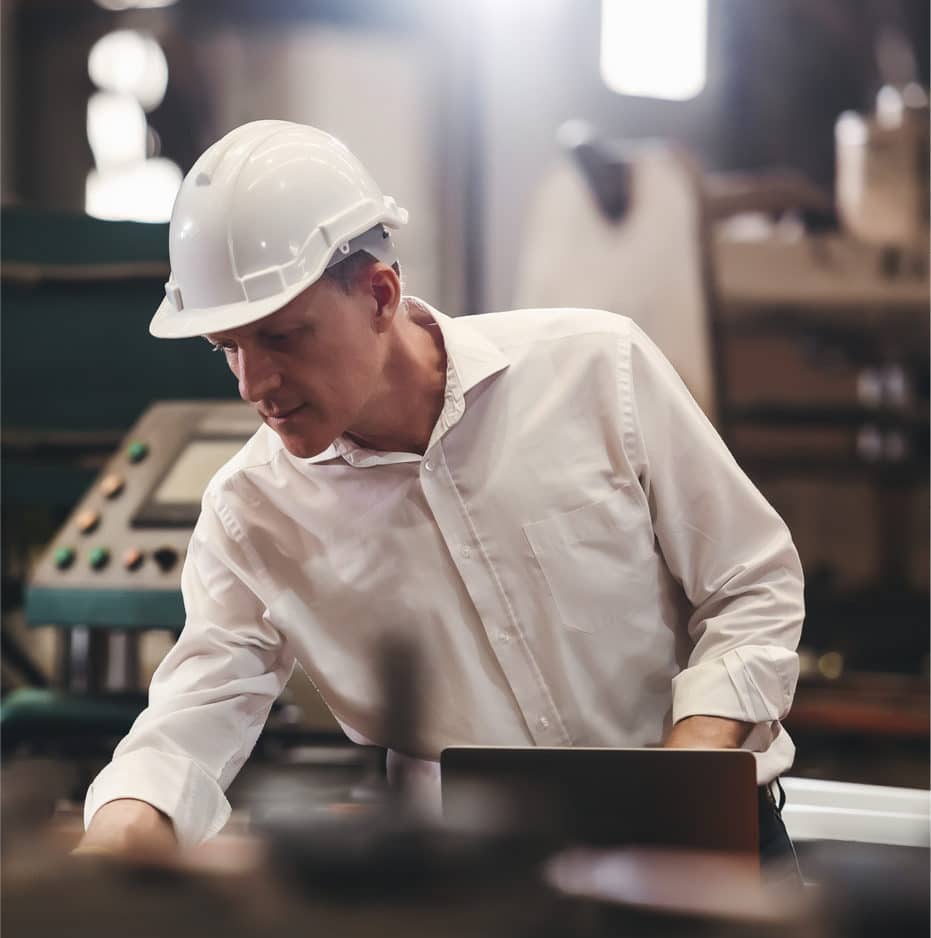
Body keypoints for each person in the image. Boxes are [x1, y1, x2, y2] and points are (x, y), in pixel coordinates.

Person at [78, 121, 804, 865]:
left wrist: (687, 771)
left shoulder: (593, 369)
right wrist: (117, 838)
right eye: (227, 348)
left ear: (380, 294)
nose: (252, 384)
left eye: (282, 337)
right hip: (480, 887)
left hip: (703, 842)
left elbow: (750, 584)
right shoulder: (253, 510)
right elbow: (194, 715)